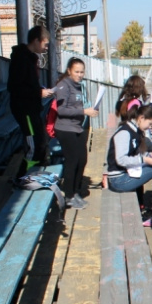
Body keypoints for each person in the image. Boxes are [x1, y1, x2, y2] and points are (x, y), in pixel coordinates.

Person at [105, 105, 152, 227]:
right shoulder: (125, 132)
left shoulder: (135, 130)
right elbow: (121, 160)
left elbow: (133, 153)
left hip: (126, 174)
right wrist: (144, 159)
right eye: (149, 124)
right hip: (118, 180)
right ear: (141, 118)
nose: (149, 127)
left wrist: (148, 155)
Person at [7, 25, 54, 179]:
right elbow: (14, 87)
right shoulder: (21, 59)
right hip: (25, 109)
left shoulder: (29, 58)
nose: (46, 48)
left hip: (32, 107)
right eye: (45, 44)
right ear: (36, 41)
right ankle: (22, 178)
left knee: (41, 141)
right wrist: (39, 92)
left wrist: (39, 89)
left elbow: (28, 84)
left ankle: (35, 176)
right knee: (34, 144)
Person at [53, 57, 98, 209]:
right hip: (65, 129)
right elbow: (61, 110)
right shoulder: (63, 86)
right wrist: (84, 111)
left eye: (82, 72)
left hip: (77, 127)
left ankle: (76, 192)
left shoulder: (79, 86)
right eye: (76, 72)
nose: (79, 75)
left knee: (82, 160)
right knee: (72, 161)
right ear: (69, 71)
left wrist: (90, 111)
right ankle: (68, 195)